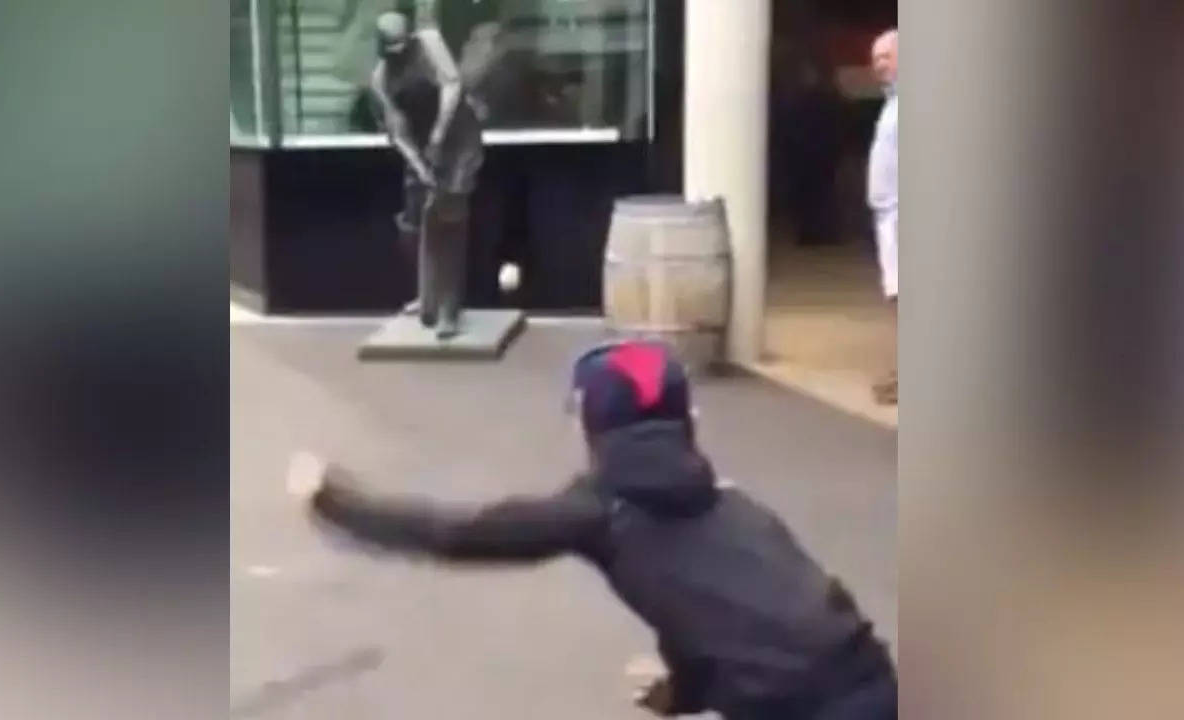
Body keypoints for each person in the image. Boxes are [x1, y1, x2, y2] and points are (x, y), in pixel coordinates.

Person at [293, 340, 897, 719]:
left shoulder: (598, 513)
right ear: (687, 420)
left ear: (589, 423)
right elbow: (717, 613)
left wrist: (332, 500)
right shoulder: (729, 504)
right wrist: (683, 693)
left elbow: (456, 533)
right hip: (873, 683)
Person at [371, 10, 484, 338]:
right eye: (391, 50)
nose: (399, 54)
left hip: (458, 139)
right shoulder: (380, 79)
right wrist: (420, 166)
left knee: (448, 219)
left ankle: (449, 309)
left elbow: (451, 84)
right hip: (422, 150)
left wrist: (438, 136)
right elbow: (399, 130)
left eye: (402, 46)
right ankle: (427, 293)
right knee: (413, 224)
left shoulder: (429, 43)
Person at [868, 29, 899, 405]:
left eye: (886, 57)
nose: (879, 65)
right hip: (888, 215)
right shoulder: (891, 103)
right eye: (876, 59)